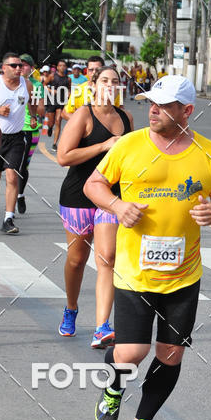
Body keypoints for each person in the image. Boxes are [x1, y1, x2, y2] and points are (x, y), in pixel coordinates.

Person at [85, 75, 211, 420]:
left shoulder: (210, 153)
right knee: (131, 354)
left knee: (171, 355)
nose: (152, 109)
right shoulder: (130, 145)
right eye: (151, 102)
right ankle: (114, 384)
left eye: (164, 104)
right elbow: (94, 184)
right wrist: (118, 206)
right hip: (136, 272)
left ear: (187, 111)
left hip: (184, 275)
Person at [57, 66, 133, 343]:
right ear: (94, 84)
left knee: (107, 259)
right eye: (105, 80)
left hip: (110, 198)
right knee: (77, 260)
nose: (110, 85)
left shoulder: (126, 118)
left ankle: (102, 326)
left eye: (115, 81)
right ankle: (71, 308)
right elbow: (64, 157)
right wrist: (103, 146)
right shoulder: (83, 115)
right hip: (78, 196)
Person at [0, 52, 35, 234]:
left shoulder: (26, 85)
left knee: (12, 176)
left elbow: (31, 103)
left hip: (16, 138)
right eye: (14, 66)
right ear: (3, 68)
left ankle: (9, 218)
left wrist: (34, 115)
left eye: (20, 65)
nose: (19, 68)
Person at [16, 54, 43, 215]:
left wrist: (30, 97)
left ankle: (20, 195)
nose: (21, 68)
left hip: (30, 129)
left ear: (31, 69)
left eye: (25, 65)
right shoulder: (8, 83)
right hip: (11, 129)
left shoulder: (37, 85)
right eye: (19, 65)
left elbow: (41, 110)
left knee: (22, 166)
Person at [44, 59, 71, 149]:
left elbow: (69, 89)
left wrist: (69, 95)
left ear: (66, 67)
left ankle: (55, 144)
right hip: (52, 100)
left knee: (58, 121)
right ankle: (50, 128)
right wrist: (51, 90)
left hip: (62, 101)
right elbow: (44, 85)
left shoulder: (68, 79)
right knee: (51, 122)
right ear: (57, 67)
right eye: (60, 65)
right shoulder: (52, 76)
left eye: (64, 66)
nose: (62, 67)